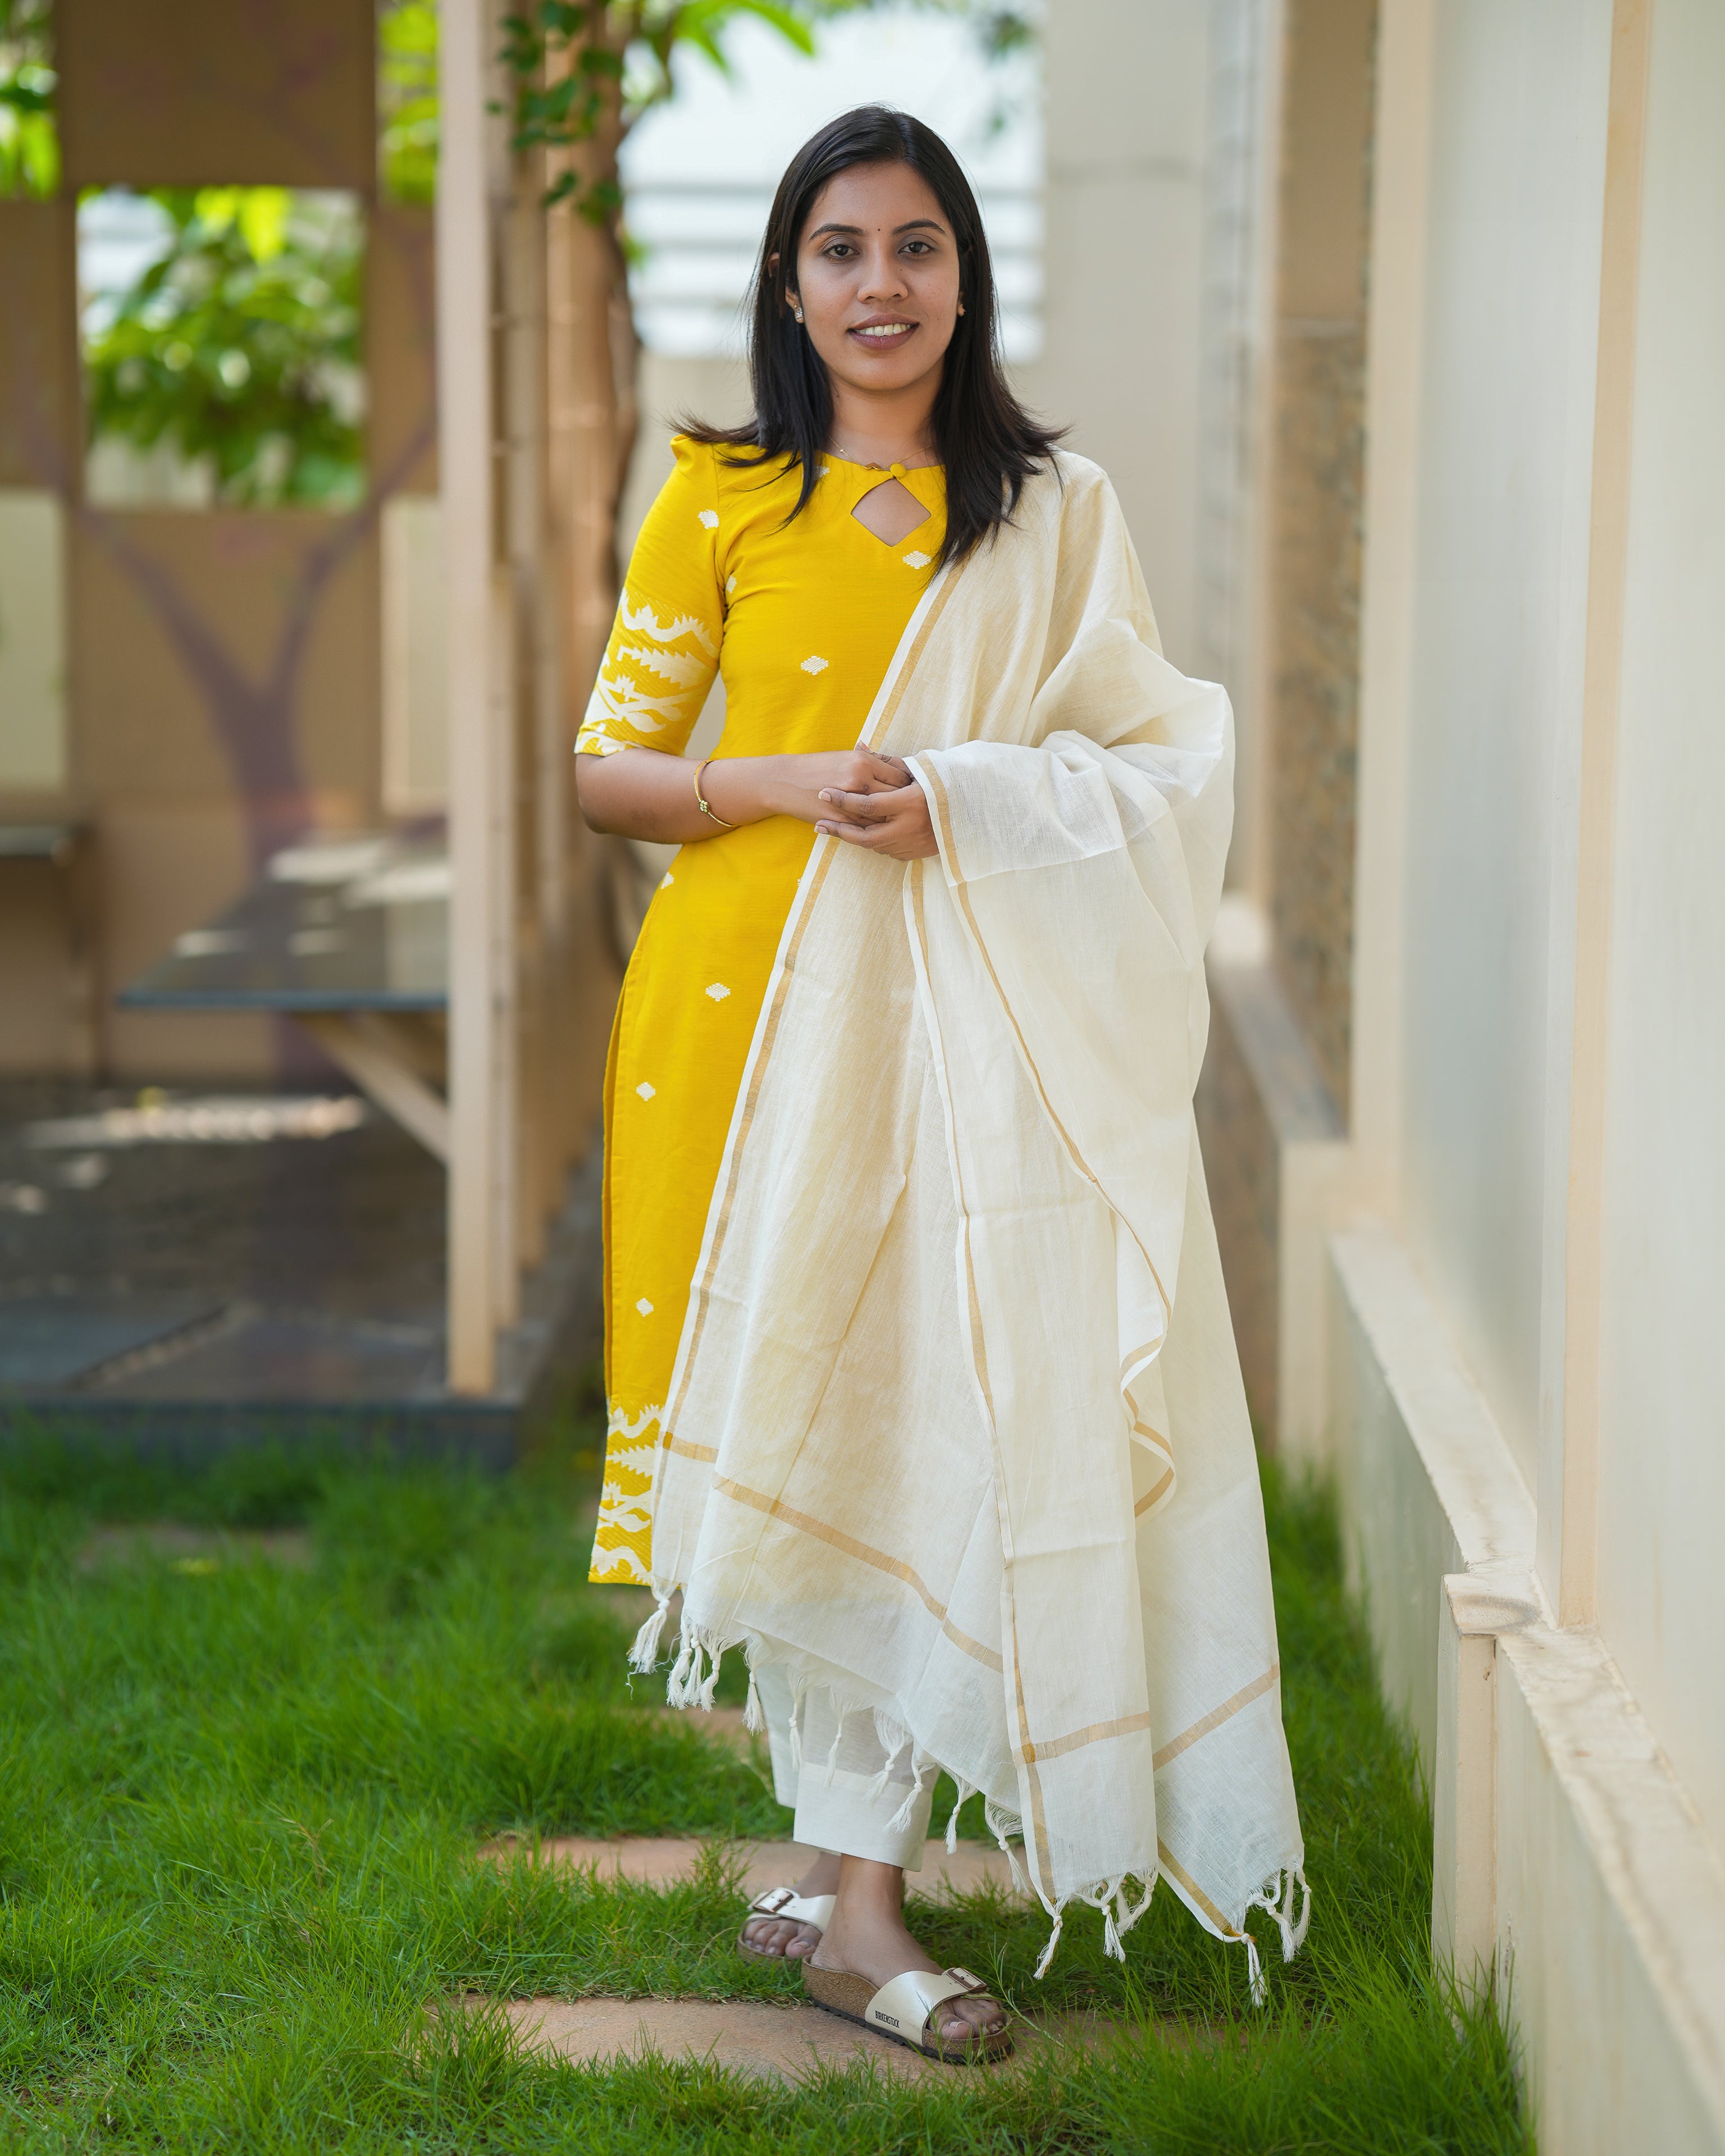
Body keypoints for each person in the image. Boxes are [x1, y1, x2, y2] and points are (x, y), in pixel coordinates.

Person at [577, 106, 1306, 2066]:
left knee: (940, 1416)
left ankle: (837, 1879)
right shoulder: (724, 491)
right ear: (788, 283)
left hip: (974, 1023)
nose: (877, 286)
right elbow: (610, 766)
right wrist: (786, 784)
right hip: (745, 1022)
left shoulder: (1058, 512)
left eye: (914, 246)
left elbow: (1162, 767)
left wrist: (975, 802)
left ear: (965, 272)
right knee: (831, 1411)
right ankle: (854, 1905)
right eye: (838, 250)